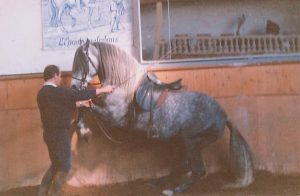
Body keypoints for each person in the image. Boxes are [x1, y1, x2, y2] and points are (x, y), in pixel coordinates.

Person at [37, 64, 114, 196]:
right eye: (59, 76)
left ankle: (42, 191)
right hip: (59, 134)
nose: (60, 78)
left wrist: (82, 104)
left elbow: (61, 106)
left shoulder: (42, 94)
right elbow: (76, 94)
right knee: (65, 166)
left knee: (56, 164)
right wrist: (103, 90)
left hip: (48, 134)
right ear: (55, 75)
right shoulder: (57, 91)